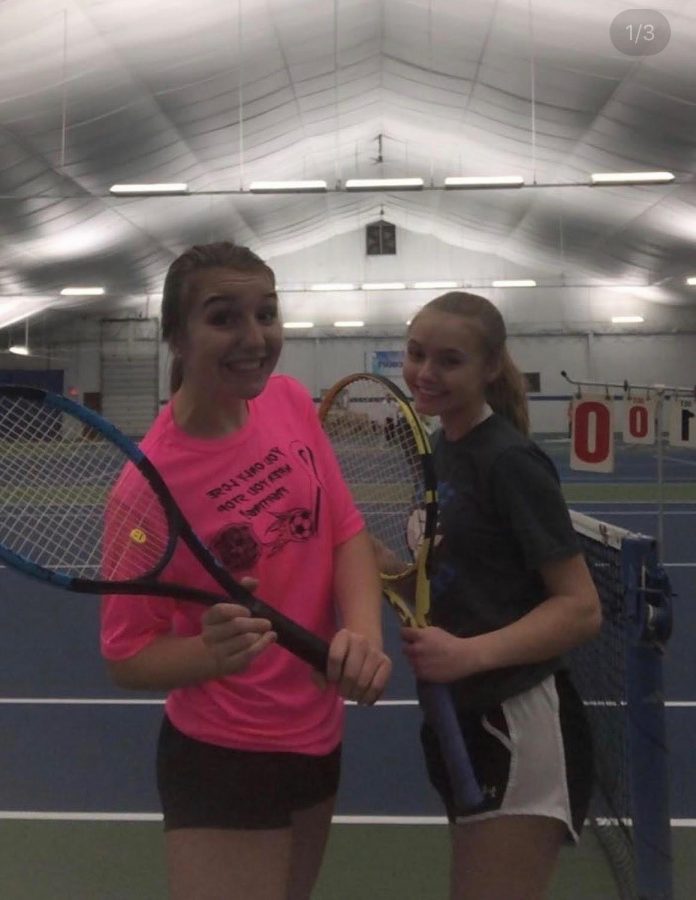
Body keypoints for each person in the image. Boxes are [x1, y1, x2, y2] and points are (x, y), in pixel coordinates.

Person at [100, 241, 391, 900]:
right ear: (176, 335)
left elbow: (345, 532)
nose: (255, 338)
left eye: (267, 313)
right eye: (224, 317)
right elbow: (126, 656)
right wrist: (207, 653)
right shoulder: (143, 489)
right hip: (223, 756)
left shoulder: (288, 403)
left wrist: (364, 636)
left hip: (318, 739)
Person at [399, 291, 601, 900]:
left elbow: (581, 608)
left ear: (490, 367)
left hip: (517, 720)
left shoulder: (508, 459)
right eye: (415, 354)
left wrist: (468, 655)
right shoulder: (445, 450)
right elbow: (455, 580)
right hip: (461, 718)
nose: (425, 373)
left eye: (449, 360)